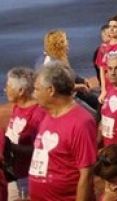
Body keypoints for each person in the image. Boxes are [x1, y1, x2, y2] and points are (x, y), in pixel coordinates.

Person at [28, 62, 98, 201]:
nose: (33, 94)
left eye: (36, 89)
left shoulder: (80, 122)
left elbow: (87, 173)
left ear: (51, 90)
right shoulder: (47, 115)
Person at [4, 67, 45, 200]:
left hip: (29, 177)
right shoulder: (17, 107)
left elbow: (42, 151)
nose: (5, 89)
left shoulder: (38, 114)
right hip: (13, 173)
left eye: (8, 86)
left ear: (21, 91)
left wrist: (10, 147)